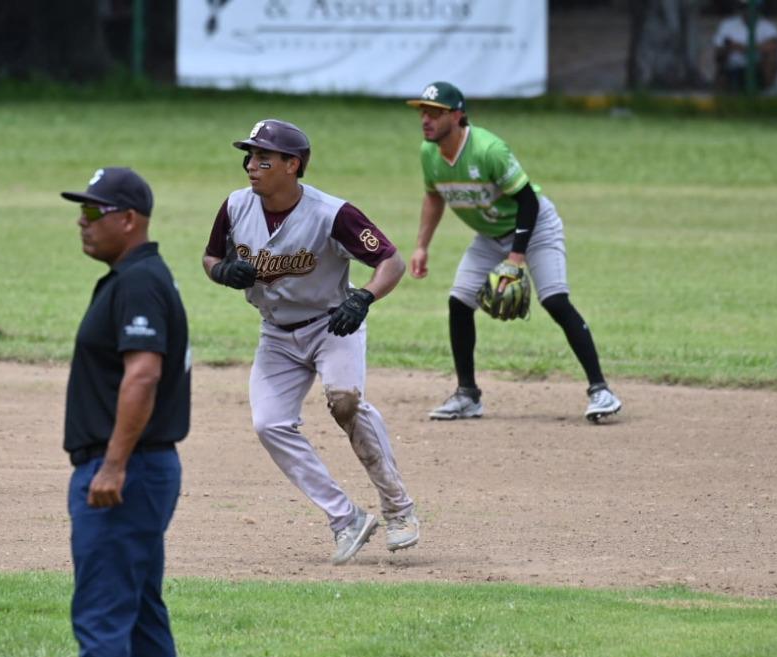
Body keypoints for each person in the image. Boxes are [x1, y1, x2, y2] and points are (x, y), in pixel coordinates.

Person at [25, 167, 191, 657]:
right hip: (141, 468)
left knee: (102, 613)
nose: (82, 222)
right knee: (140, 608)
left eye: (94, 212)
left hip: (127, 471)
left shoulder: (140, 284)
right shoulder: (133, 280)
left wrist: (113, 463)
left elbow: (143, 375)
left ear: (129, 219)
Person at [201, 119, 420, 566]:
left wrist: (363, 298)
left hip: (333, 325)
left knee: (345, 403)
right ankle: (346, 519)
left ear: (292, 165)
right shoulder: (236, 206)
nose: (251, 166)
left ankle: (398, 509)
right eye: (249, 156)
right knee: (270, 424)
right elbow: (210, 256)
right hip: (276, 335)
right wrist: (221, 271)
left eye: (263, 157)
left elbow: (391, 262)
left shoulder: (332, 213)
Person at [406, 82, 622, 423]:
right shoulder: (428, 153)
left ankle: (601, 390)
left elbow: (528, 200)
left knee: (553, 299)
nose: (425, 119)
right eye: (423, 111)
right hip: (490, 235)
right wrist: (421, 246)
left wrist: (516, 258)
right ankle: (467, 395)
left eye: (435, 112)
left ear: (458, 115)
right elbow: (434, 196)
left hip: (535, 226)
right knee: (459, 302)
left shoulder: (489, 150)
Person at [713, 0, 777, 92]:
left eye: (752, 8)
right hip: (733, 66)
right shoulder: (727, 25)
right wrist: (758, 47)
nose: (748, 11)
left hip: (758, 66)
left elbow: (774, 45)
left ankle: (765, 90)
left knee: (772, 57)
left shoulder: (768, 26)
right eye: (745, 7)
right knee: (720, 57)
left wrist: (741, 47)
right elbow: (720, 47)